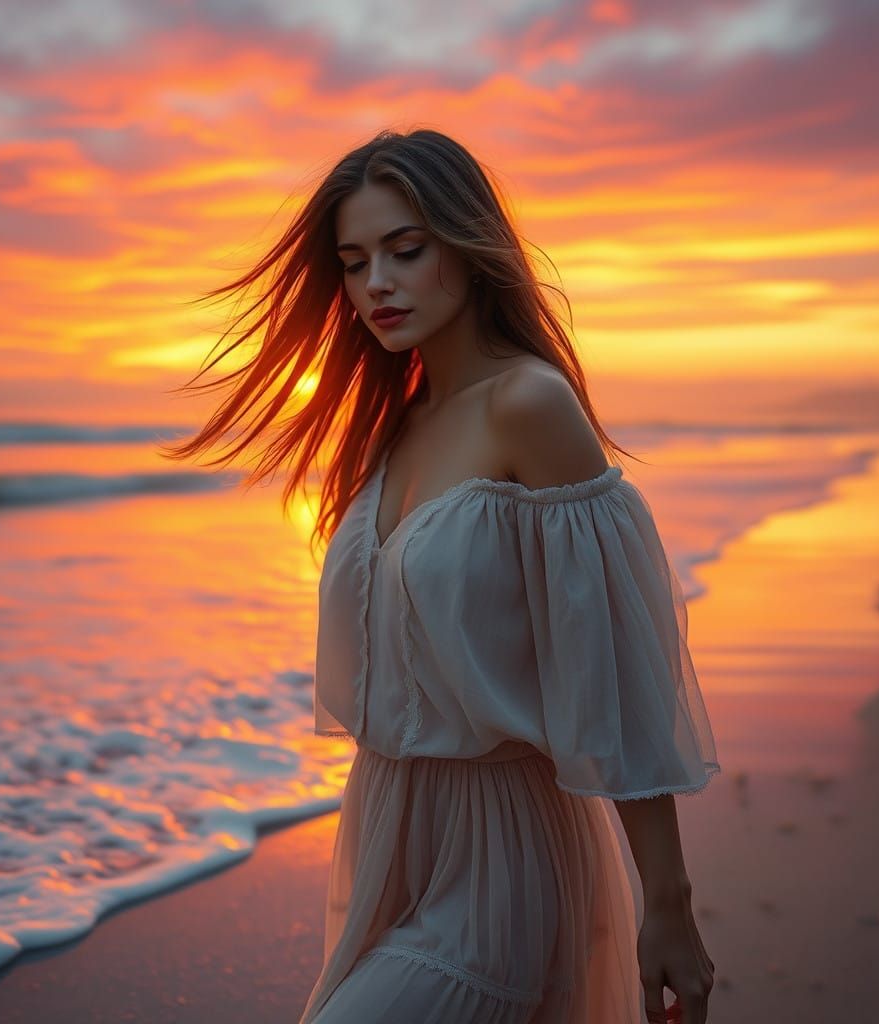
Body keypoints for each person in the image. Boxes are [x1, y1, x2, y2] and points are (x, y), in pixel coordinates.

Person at [161, 127, 721, 1024]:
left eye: (405, 250)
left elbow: (613, 670)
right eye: (353, 262)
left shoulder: (529, 405)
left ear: (467, 244)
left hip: (501, 850)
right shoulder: (397, 424)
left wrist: (670, 903)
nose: (374, 283)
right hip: (386, 826)